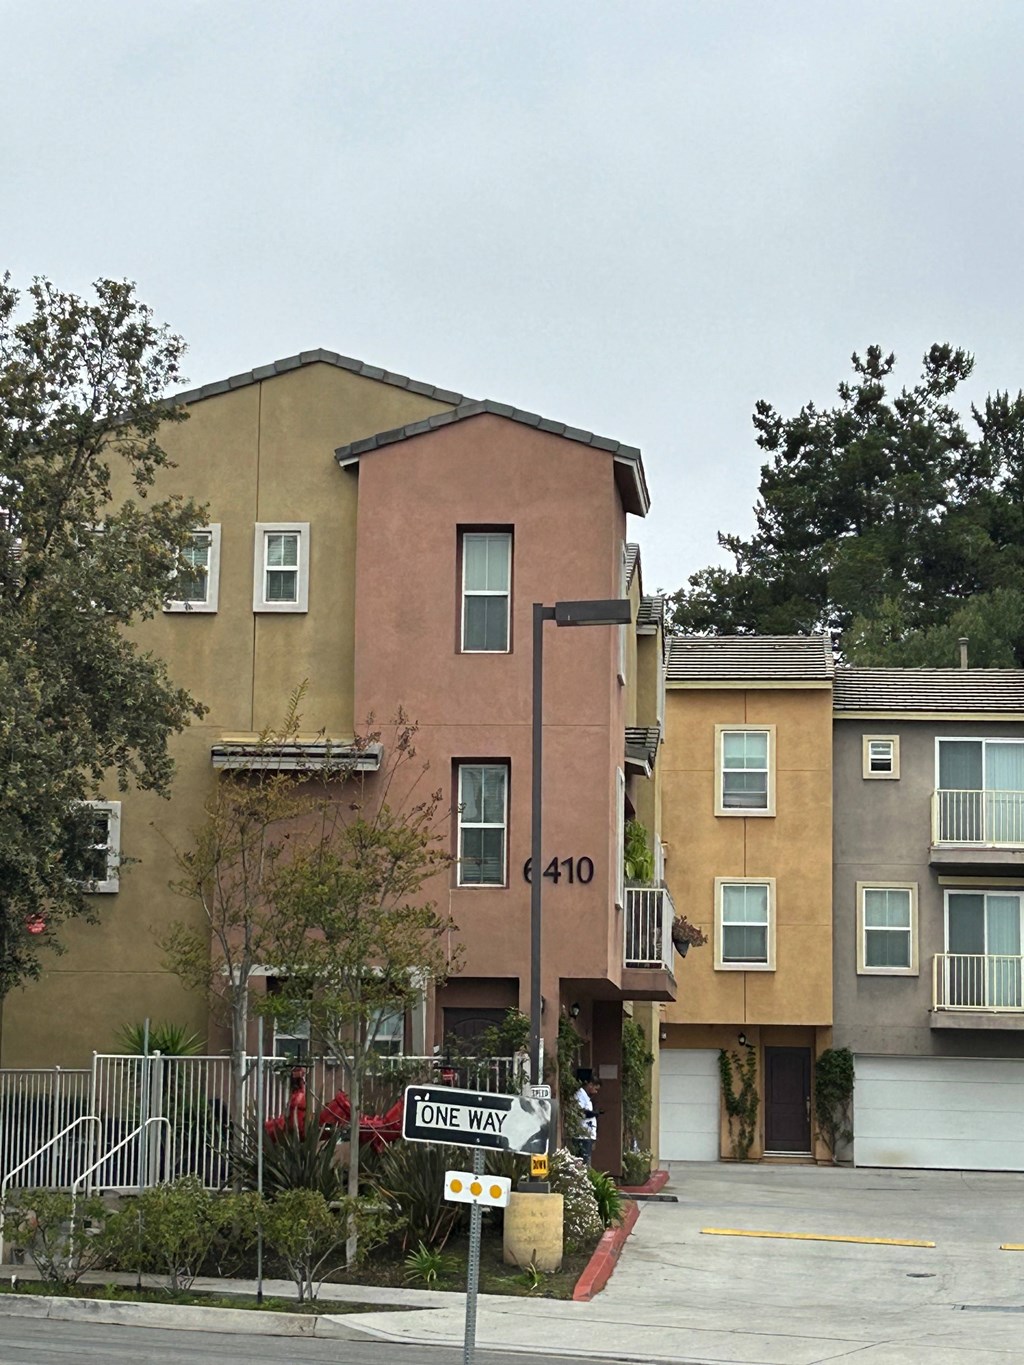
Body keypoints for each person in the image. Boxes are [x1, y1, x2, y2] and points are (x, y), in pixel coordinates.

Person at [573, 1067, 600, 1165]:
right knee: (583, 1163)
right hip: (582, 1136)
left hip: (587, 1135)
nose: (596, 1092)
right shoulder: (580, 1095)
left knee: (586, 1162)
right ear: (590, 1085)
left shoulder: (587, 1097)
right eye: (595, 1089)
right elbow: (580, 1112)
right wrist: (593, 1114)